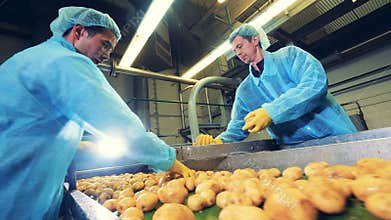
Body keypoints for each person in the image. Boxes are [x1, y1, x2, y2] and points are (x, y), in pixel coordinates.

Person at [0, 6, 193, 219]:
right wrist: (167, 159)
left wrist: (81, 144)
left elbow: (36, 124)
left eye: (110, 49)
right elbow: (118, 123)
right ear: (79, 32)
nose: (107, 55)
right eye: (104, 44)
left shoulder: (35, 57)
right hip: (14, 197)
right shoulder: (65, 61)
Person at [194, 24, 357, 146]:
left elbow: (315, 84)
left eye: (240, 46)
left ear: (255, 40)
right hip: (296, 150)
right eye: (235, 51)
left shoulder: (290, 56)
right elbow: (238, 126)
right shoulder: (245, 91)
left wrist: (271, 112)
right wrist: (217, 142)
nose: (238, 53)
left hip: (338, 138)